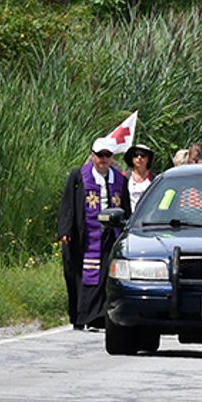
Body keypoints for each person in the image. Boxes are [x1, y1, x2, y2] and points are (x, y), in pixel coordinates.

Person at [56, 138, 131, 330]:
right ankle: (82, 316)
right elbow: (68, 205)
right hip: (85, 234)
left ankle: (100, 317)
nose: (103, 159)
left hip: (110, 234)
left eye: (107, 155)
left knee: (105, 275)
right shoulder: (79, 176)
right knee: (83, 275)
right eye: (100, 155)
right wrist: (65, 230)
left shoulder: (119, 179)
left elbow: (126, 208)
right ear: (92, 155)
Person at [124, 144, 155, 209]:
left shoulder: (154, 179)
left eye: (143, 155)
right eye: (135, 155)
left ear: (148, 159)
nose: (139, 158)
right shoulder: (125, 177)